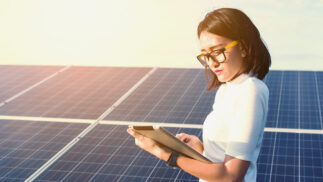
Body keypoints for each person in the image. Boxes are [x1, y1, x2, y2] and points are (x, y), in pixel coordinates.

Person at [127, 8, 270, 182]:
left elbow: (231, 175)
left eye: (217, 51)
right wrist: (200, 149)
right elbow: (220, 160)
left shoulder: (250, 90)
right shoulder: (227, 90)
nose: (211, 62)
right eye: (205, 55)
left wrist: (164, 153)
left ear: (244, 48)